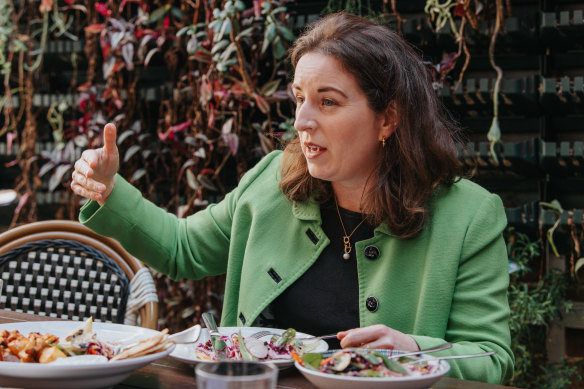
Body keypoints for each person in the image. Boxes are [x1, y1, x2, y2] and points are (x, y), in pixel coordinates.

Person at [71, 12, 514, 384]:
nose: (302, 120)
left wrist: (414, 348)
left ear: (388, 118)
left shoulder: (468, 216)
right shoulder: (273, 182)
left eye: (328, 102)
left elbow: (491, 358)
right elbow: (182, 249)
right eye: (300, 98)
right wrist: (110, 191)